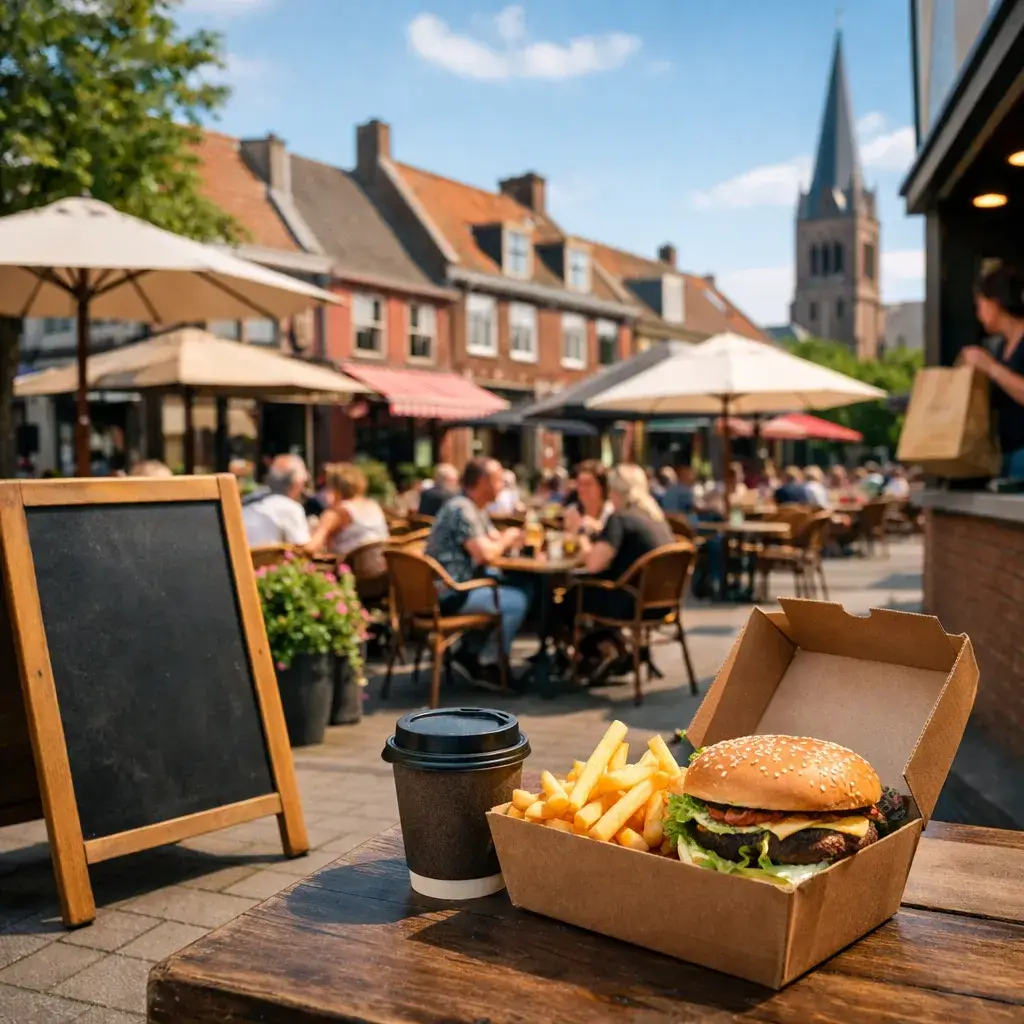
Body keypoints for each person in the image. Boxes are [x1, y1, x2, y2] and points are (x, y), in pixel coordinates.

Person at [425, 457, 529, 685]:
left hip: (460, 585)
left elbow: (492, 541)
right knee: (517, 600)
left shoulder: (474, 507)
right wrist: (509, 537)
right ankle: (487, 663)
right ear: (483, 482)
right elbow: (486, 554)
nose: (503, 486)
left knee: (525, 586)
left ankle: (471, 653)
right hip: (450, 592)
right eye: (499, 480)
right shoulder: (462, 509)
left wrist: (504, 539)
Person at [960, 264, 1024, 478]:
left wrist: (990, 367)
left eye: (980, 305)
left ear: (995, 303)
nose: (978, 314)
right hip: (1005, 455)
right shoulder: (999, 348)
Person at [308, 462, 389, 560]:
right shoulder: (373, 506)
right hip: (381, 567)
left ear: (334, 488)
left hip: (349, 570)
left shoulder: (338, 512)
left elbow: (311, 548)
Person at [241, 454, 311, 546]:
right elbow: (303, 549)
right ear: (297, 484)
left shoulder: (248, 500)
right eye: (304, 483)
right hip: (265, 559)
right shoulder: (290, 508)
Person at [563, 460, 612, 538]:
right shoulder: (572, 511)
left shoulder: (610, 513)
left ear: (601, 488)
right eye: (580, 484)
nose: (582, 489)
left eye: (588, 484)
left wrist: (597, 528)